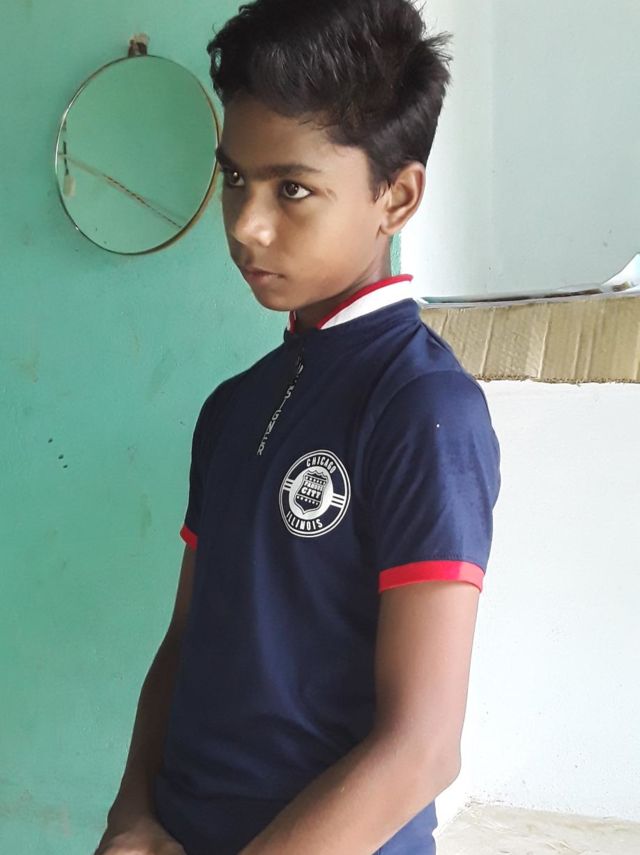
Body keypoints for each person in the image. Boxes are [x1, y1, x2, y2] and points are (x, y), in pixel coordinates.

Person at [93, 1, 501, 853]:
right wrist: (130, 815)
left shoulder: (423, 409)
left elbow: (422, 748)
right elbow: (185, 643)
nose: (246, 223)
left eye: (292, 188)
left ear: (396, 196)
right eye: (235, 178)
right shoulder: (233, 406)